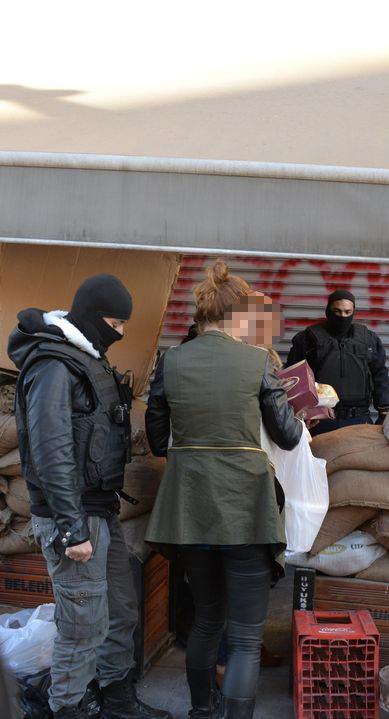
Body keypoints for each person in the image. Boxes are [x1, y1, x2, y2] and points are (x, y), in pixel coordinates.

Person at [7, 275, 172, 719]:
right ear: (92, 317)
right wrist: (70, 527)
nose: (120, 333)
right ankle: (68, 708)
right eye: (115, 322)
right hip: (73, 518)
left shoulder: (86, 359)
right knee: (82, 626)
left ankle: (116, 700)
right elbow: (49, 451)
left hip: (98, 510)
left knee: (119, 610)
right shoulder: (54, 367)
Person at [145, 262, 302, 719]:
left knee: (206, 620)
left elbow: (158, 439)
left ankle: (200, 712)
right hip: (246, 508)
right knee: (246, 635)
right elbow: (288, 435)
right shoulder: (256, 362)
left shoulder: (171, 360)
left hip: (189, 507)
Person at [287, 289, 389, 434]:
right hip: (319, 420)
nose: (342, 316)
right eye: (337, 311)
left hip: (358, 419)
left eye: (347, 312)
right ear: (328, 311)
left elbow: (379, 374)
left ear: (353, 312)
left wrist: (385, 409)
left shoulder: (368, 339)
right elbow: (294, 378)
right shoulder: (307, 339)